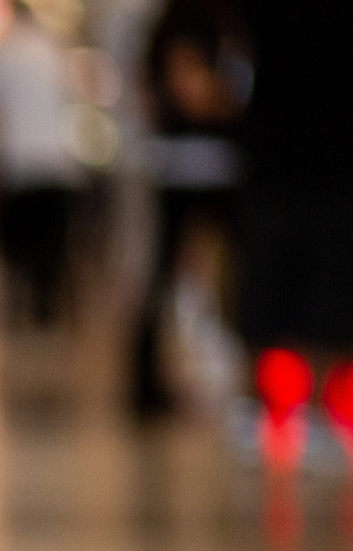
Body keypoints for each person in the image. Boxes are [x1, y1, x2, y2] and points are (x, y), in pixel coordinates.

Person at [230, 0, 353, 384]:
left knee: (319, 315)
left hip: (323, 160)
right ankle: (288, 421)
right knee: (280, 314)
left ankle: (301, 421)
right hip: (309, 159)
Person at [127, 0, 245, 415]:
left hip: (205, 158)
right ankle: (146, 383)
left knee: (196, 268)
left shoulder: (185, 19)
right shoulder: (190, 19)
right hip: (194, 160)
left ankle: (245, 368)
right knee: (174, 267)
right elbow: (190, 87)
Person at [0, 3, 83, 326]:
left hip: (20, 163)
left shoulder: (7, 53)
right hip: (55, 163)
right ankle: (47, 312)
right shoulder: (53, 49)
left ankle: (24, 309)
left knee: (21, 249)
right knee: (51, 249)